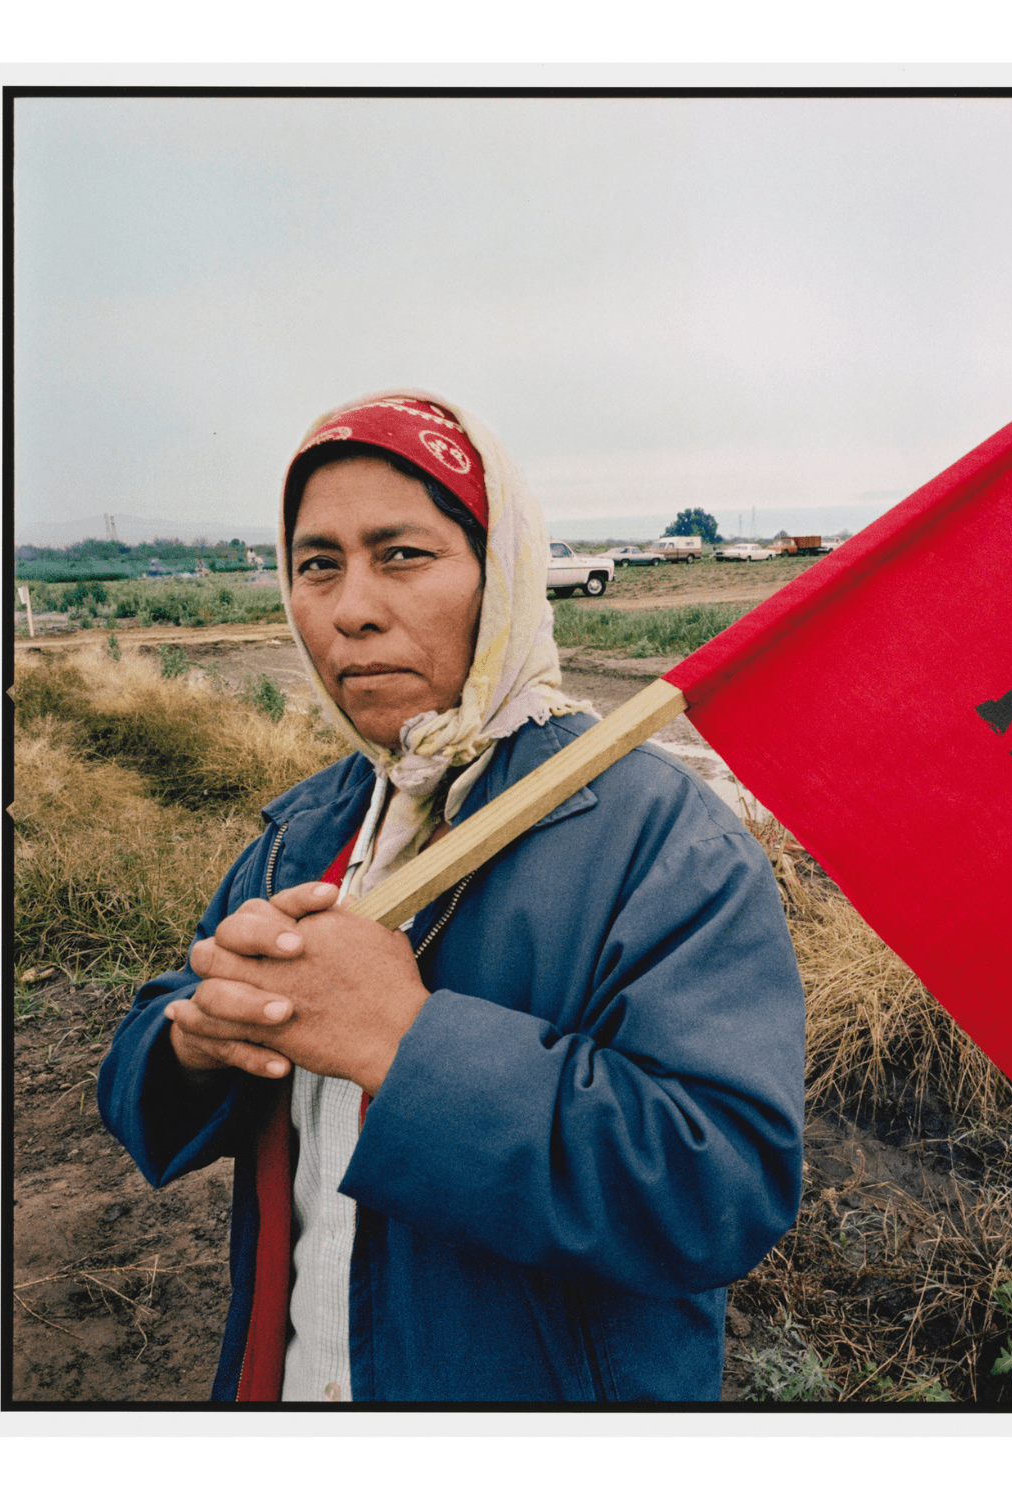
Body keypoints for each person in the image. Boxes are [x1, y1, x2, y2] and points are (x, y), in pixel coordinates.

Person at [97, 392, 806, 1403]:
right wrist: (191, 1043)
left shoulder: (659, 838)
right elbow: (145, 1058)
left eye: (402, 554)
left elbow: (719, 1189)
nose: (350, 608)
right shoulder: (307, 831)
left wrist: (405, 1045)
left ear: (498, 576)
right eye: (316, 564)